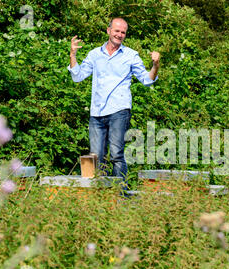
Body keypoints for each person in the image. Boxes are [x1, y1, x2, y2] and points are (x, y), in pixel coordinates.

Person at [67, 17, 160, 193]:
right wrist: (73, 55)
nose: (119, 35)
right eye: (116, 31)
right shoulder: (94, 54)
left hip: (119, 109)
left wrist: (155, 65)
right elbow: (77, 76)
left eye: (123, 32)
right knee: (95, 157)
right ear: (108, 31)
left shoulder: (131, 55)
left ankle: (120, 194)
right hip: (97, 111)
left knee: (117, 154)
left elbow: (147, 80)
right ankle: (99, 195)